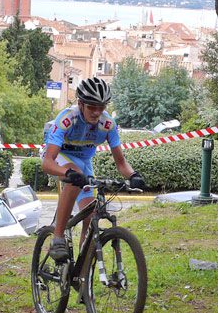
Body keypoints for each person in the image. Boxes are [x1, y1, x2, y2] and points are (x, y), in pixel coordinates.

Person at [41, 77, 146, 262]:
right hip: (61, 157)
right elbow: (47, 162)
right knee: (76, 177)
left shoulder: (108, 125)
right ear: (81, 104)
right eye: (92, 107)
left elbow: (121, 163)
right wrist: (67, 173)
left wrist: (133, 175)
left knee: (90, 216)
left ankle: (83, 267)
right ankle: (57, 237)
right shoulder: (67, 119)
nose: (97, 112)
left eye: (101, 107)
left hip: (85, 161)